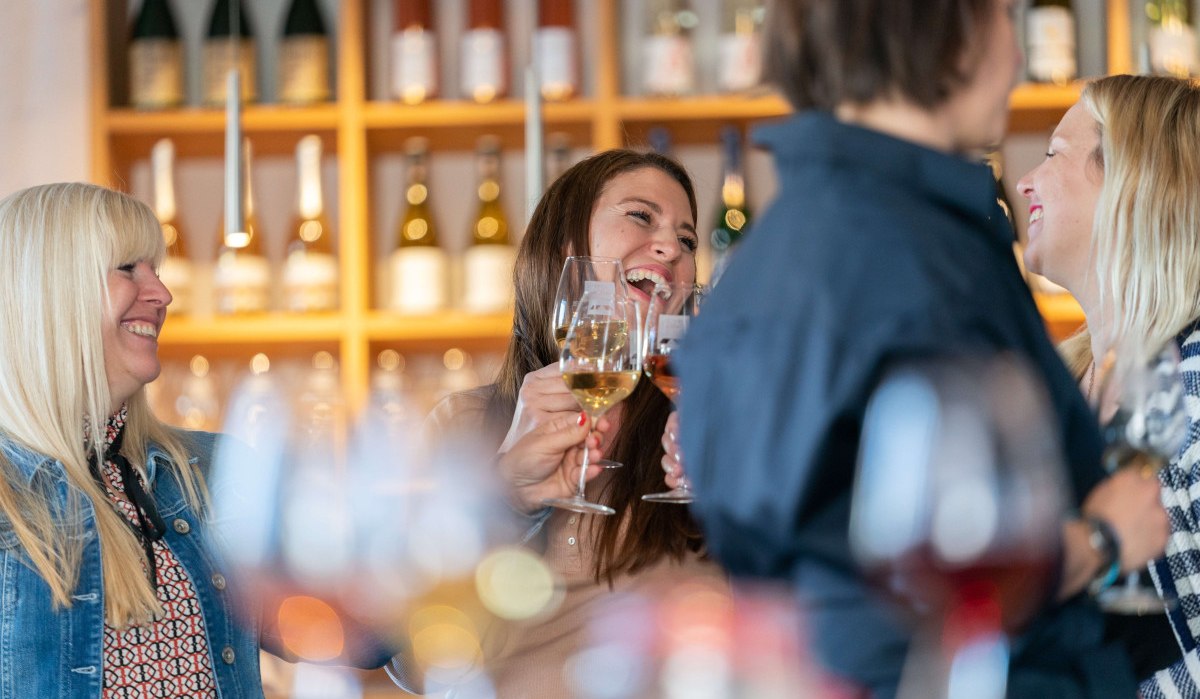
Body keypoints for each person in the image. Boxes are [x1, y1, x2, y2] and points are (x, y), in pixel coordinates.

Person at [672, 1, 1168, 696]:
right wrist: (1101, 539)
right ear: (948, 35)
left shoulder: (775, 250)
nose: (1019, 60)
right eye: (1001, 21)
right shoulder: (918, 255)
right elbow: (899, 592)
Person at [0, 182, 389, 697]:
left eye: (155, 270)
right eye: (128, 269)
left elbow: (360, 640)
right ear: (48, 292)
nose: (162, 294)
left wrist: (491, 506)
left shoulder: (208, 468)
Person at [405, 149, 726, 696]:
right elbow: (407, 662)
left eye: (688, 240)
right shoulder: (464, 424)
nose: (671, 247)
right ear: (569, 249)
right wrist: (505, 494)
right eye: (641, 216)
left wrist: (734, 498)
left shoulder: (711, 423)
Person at [1016, 73, 1200, 696]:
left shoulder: (1193, 382)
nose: (1024, 182)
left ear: (1129, 182)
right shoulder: (1063, 388)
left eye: (1052, 154)